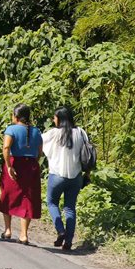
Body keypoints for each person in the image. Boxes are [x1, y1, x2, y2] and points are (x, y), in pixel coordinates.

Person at [0, 103, 43, 243]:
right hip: (31, 165)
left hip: (15, 163)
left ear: (15, 116)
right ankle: (24, 234)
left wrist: (9, 166)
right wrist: (33, 163)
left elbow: (6, 147)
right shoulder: (36, 131)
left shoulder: (11, 129)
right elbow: (39, 152)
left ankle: (8, 229)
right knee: (28, 198)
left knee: (7, 195)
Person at [43, 106, 89, 252]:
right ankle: (68, 241)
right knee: (70, 208)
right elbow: (87, 153)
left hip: (56, 175)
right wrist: (87, 174)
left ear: (60, 119)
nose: (53, 119)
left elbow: (40, 143)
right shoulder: (81, 132)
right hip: (75, 177)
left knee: (51, 202)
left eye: (54, 117)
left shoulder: (54, 133)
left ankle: (60, 230)